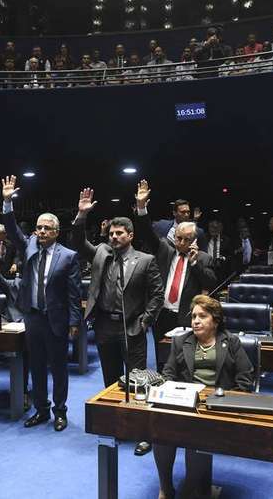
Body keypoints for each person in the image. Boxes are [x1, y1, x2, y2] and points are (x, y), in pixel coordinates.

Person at [70, 186, 163, 456]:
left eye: (119, 233)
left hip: (131, 325)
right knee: (111, 380)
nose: (113, 237)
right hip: (104, 326)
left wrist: (145, 322)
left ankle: (143, 431)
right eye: (111, 233)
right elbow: (78, 242)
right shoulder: (100, 252)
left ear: (130, 236)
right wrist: (81, 216)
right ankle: (117, 426)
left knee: (137, 381)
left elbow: (157, 296)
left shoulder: (145, 260)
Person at [1, 175, 81, 431]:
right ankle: (41, 410)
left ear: (56, 232)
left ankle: (60, 411)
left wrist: (74, 322)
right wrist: (7, 203)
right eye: (39, 227)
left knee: (58, 368)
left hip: (56, 319)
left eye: (47, 228)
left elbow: (73, 293)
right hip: (33, 317)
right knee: (35, 366)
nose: (42, 231)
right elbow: (12, 231)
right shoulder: (29, 248)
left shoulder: (69, 257)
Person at [155, 294, 253, 499]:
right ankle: (166, 488)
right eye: (193, 317)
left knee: (195, 438)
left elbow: (245, 379)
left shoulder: (231, 342)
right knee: (160, 435)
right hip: (185, 403)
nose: (196, 321)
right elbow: (168, 374)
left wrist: (225, 399)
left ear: (215, 320)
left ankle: (191, 488)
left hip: (216, 407)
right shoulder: (181, 341)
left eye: (202, 316)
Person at [133, 180, 216, 372]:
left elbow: (210, 282)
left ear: (194, 240)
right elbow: (147, 232)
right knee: (163, 361)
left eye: (187, 239)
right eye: (178, 238)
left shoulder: (203, 258)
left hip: (187, 317)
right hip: (162, 314)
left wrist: (194, 263)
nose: (181, 243)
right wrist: (141, 206)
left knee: (187, 362)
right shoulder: (165, 250)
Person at [0, 245, 32, 411]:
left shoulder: (43, 286)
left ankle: (26, 391)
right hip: (14, 328)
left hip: (35, 328)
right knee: (22, 353)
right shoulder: (13, 285)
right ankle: (23, 391)